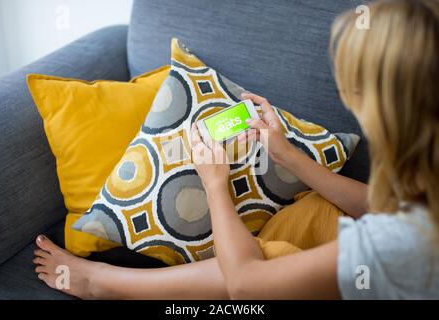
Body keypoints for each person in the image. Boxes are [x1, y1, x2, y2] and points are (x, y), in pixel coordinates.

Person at [33, 0, 439, 299]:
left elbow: (247, 284)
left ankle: (102, 283)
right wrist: (289, 156)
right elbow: (387, 208)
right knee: (313, 210)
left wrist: (214, 185)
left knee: (270, 255)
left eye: (352, 91)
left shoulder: (406, 243)